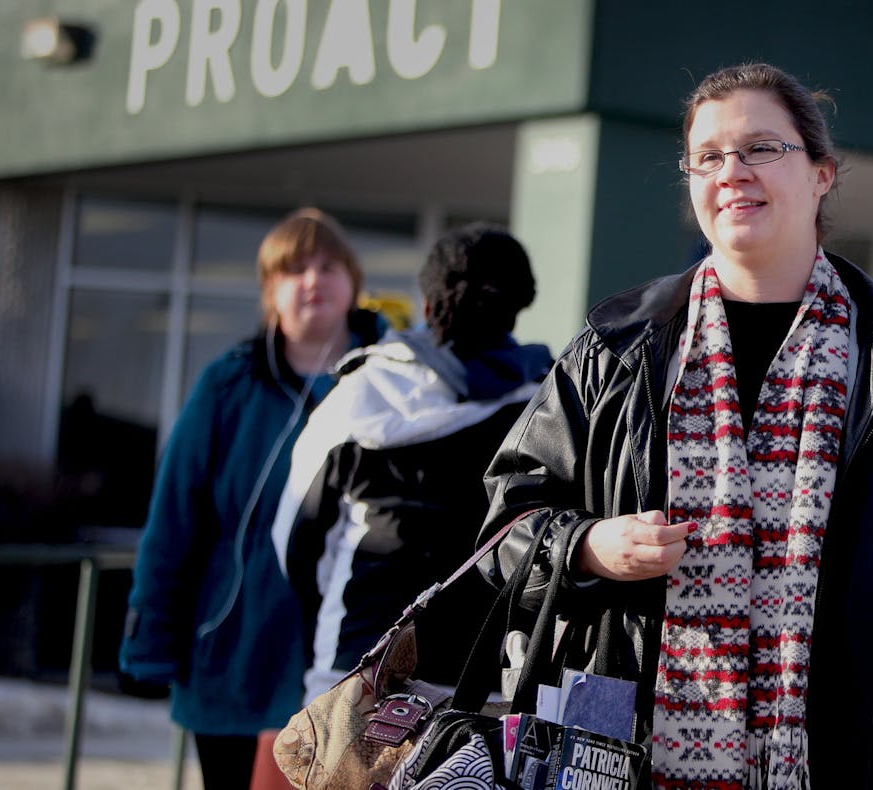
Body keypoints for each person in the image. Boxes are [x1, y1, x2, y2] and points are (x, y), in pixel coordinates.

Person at [476, 62, 873, 789]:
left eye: (761, 149)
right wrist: (589, 546)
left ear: (821, 173)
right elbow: (504, 530)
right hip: (620, 755)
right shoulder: (618, 349)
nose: (732, 172)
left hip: (841, 762)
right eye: (709, 157)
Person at [118, 208, 386, 790]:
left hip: (352, 663)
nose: (313, 279)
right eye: (294, 270)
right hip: (233, 656)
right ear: (270, 291)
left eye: (327, 265)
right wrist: (150, 639)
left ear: (354, 281)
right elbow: (174, 518)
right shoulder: (227, 385)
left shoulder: (395, 382)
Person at [270, 223, 553, 702]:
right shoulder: (549, 406)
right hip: (483, 682)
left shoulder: (358, 392)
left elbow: (296, 541)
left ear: (427, 301)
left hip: (358, 668)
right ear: (519, 304)